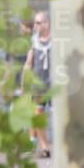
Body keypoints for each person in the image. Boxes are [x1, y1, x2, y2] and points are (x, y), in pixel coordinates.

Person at [22, 10, 52, 158]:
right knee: (37, 115)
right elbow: (28, 63)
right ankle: (44, 148)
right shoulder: (33, 41)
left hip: (54, 86)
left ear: (47, 24)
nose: (35, 25)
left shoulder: (57, 40)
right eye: (35, 23)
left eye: (38, 23)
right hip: (39, 87)